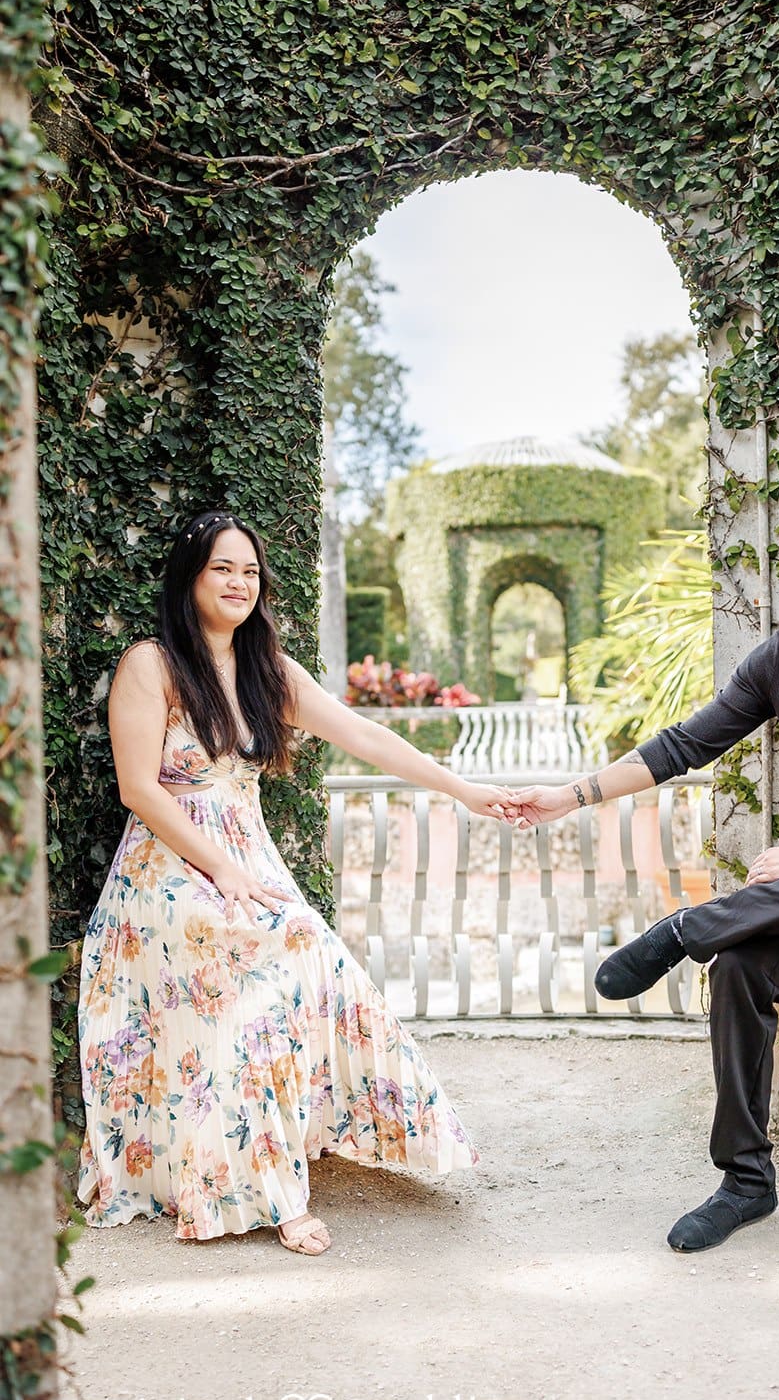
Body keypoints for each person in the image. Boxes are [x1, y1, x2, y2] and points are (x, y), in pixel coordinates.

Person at [510, 488, 779, 1253]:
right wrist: (567, 797)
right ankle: (745, 1181)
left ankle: (683, 928)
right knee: (739, 965)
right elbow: (684, 745)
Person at [77, 510, 513, 1255]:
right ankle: (269, 1192)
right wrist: (220, 869)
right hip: (168, 867)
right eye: (222, 568)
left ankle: (310, 1144)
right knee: (257, 971)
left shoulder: (266, 668)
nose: (238, 583)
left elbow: (365, 734)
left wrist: (462, 788)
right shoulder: (150, 664)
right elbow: (139, 789)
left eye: (249, 571)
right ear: (190, 578)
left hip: (248, 856)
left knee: (313, 961)